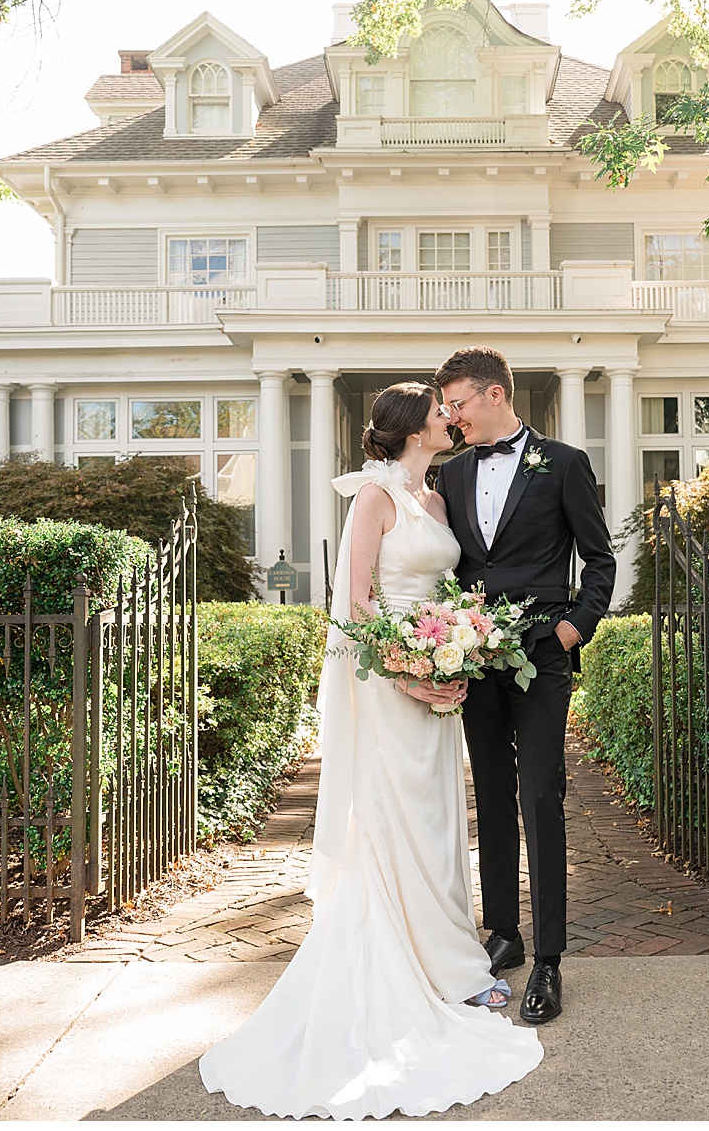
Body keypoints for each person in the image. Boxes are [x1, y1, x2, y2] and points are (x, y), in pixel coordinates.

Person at [199, 381, 543, 1120]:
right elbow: (356, 603)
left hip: (439, 673)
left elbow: (445, 591)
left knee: (439, 821)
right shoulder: (374, 498)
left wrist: (461, 651)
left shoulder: (438, 495)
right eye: (438, 412)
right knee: (397, 821)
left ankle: (449, 958)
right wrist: (413, 677)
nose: (449, 419)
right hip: (392, 685)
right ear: (410, 427)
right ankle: (411, 968)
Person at [434, 347, 616, 1025]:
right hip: (474, 661)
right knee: (492, 797)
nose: (452, 418)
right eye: (446, 408)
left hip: (544, 655)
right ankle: (505, 934)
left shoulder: (563, 463)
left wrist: (573, 630)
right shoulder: (449, 476)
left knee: (542, 795)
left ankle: (549, 959)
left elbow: (599, 559)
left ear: (496, 394)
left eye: (459, 404)